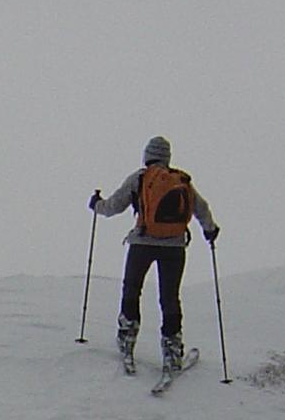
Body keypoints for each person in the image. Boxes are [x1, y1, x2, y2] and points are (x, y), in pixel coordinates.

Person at [90, 136, 218, 375]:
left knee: (132, 289)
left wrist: (97, 205)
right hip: (174, 247)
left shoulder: (139, 178)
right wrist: (210, 230)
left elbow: (114, 206)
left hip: (142, 243)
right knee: (169, 298)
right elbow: (201, 208)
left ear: (147, 156)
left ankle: (127, 340)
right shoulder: (182, 181)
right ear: (167, 158)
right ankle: (172, 352)